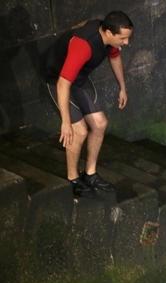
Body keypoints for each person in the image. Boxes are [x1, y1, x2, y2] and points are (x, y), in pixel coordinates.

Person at [44, 11, 133, 198]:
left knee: (100, 124)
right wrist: (66, 122)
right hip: (58, 80)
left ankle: (90, 174)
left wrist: (122, 87)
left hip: (79, 78)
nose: (126, 42)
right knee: (79, 131)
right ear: (109, 33)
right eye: (123, 38)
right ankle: (73, 179)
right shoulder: (83, 46)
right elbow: (62, 84)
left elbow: (115, 57)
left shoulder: (109, 39)